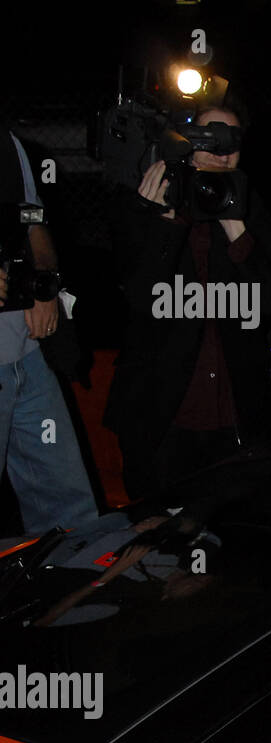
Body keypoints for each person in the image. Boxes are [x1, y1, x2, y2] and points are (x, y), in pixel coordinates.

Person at [106, 96, 271, 499]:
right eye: (208, 140)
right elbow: (140, 301)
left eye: (230, 144)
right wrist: (164, 226)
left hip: (236, 414)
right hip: (163, 417)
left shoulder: (249, 206)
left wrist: (235, 227)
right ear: (183, 143)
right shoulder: (145, 199)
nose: (219, 155)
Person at [0, 127, 98, 533]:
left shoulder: (7, 145)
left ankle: (75, 594)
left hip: (25, 356)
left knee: (70, 511)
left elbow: (33, 218)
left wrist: (46, 283)